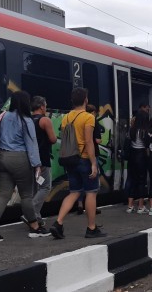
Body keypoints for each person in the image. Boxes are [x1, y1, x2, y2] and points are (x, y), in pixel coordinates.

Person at [0, 91, 50, 242]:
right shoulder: (26, 120)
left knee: (4, 194)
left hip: (2, 158)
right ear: (26, 103)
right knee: (26, 195)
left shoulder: (1, 117)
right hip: (20, 159)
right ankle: (35, 228)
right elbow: (31, 144)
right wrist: (37, 165)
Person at [49, 88, 105, 239]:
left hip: (70, 160)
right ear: (86, 100)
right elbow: (89, 142)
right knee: (91, 193)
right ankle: (91, 228)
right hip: (84, 159)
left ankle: (58, 223)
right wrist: (93, 163)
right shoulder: (88, 117)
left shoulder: (66, 118)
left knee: (74, 192)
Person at [24, 96, 57, 228]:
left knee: (34, 188)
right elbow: (53, 139)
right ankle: (30, 212)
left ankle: (36, 218)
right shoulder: (45, 120)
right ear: (42, 106)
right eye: (46, 105)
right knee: (45, 187)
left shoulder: (27, 120)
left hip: (29, 159)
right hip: (42, 159)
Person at [76, 104, 104, 216]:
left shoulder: (79, 120)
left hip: (79, 154)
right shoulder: (92, 121)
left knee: (81, 182)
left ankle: (79, 204)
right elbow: (97, 140)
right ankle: (92, 208)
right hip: (92, 154)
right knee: (92, 185)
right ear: (93, 112)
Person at [125, 110, 150, 214]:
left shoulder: (131, 130)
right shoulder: (145, 131)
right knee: (141, 181)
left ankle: (130, 206)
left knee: (132, 180)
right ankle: (140, 206)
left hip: (132, 157)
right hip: (141, 156)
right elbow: (147, 147)